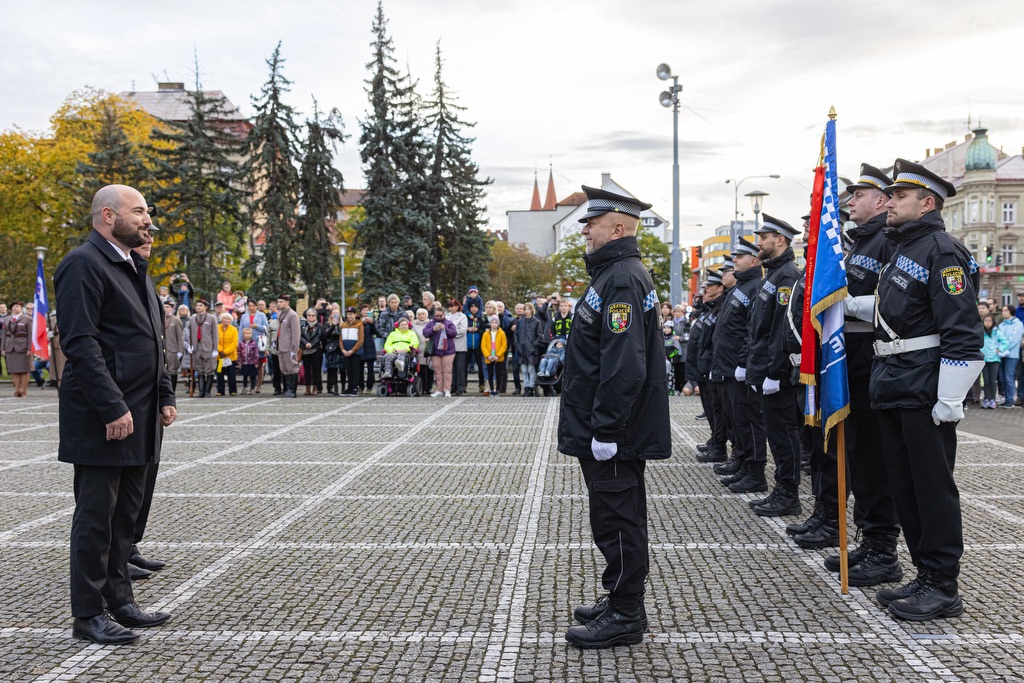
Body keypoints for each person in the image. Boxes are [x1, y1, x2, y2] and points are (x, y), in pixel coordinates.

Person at [53, 184, 175, 644]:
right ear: (108, 216)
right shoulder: (84, 264)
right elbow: (79, 344)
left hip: (140, 416)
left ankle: (120, 601)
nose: (147, 218)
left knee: (125, 517)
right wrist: (111, 406)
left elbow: (151, 339)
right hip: (105, 418)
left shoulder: (131, 266)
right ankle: (88, 614)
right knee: (96, 519)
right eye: (139, 211)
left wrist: (164, 393)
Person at [867, 159, 983, 621]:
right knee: (905, 487)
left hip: (924, 385)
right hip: (895, 381)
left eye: (898, 196)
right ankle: (923, 573)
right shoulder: (905, 249)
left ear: (926, 202)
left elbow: (962, 329)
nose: (889, 202)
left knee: (932, 489)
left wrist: (950, 397)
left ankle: (943, 583)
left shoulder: (942, 250)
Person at [559, 185, 670, 649]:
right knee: (613, 515)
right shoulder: (615, 274)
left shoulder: (621, 277)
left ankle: (627, 613)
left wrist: (607, 427)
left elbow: (624, 364)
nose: (585, 229)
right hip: (607, 425)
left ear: (618, 228)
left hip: (613, 431)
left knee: (618, 519)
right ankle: (619, 597)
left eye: (594, 222)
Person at [829, 164, 903, 584]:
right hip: (852, 361)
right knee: (859, 454)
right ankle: (870, 538)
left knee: (875, 458)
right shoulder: (860, 243)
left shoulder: (885, 242)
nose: (850, 202)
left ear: (879, 199)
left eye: (858, 195)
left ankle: (884, 549)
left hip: (873, 358)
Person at [746, 214, 804, 518]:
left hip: (777, 375)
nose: (759, 243)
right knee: (775, 434)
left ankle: (788, 493)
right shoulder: (773, 275)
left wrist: (775, 372)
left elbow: (784, 328)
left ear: (779, 239)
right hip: (764, 369)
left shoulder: (787, 277)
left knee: (784, 434)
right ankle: (781, 489)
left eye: (763, 237)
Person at [423, 304, 457, 397]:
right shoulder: (430, 323)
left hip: (448, 351)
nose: (438, 317)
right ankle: (439, 389)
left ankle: (447, 390)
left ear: (444, 314)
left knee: (447, 370)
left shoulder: (449, 323)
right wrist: (433, 329)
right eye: (436, 316)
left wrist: (445, 328)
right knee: (437, 370)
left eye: (440, 316)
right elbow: (425, 333)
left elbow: (454, 333)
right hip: (435, 351)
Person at [187, 299, 218, 398]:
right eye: (197, 305)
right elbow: (188, 332)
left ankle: (207, 392)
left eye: (200, 305)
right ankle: (201, 392)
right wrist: (189, 344)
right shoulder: (192, 318)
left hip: (208, 347)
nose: (198, 307)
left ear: (206, 307)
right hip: (197, 346)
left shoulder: (212, 318)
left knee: (209, 370)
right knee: (199, 369)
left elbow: (215, 334)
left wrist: (215, 349)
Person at [238, 299, 268, 394]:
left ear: (256, 306)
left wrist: (257, 326)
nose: (251, 307)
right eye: (249, 305)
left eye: (253, 305)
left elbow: (266, 328)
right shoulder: (244, 316)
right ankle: (250, 385)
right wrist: (239, 343)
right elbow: (240, 329)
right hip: (247, 343)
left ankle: (258, 385)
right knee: (248, 365)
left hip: (259, 343)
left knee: (259, 365)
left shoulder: (261, 315)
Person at [515, 301, 544, 397]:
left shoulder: (536, 322)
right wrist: (518, 345)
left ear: (532, 310)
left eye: (528, 309)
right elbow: (516, 334)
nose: (527, 311)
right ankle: (526, 387)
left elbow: (539, 336)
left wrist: (533, 345)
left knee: (531, 369)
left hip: (532, 349)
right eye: (525, 309)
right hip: (522, 349)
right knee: (524, 370)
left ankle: (531, 387)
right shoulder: (520, 322)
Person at [2, 301, 31, 397]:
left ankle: (24, 391)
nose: (15, 308)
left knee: (24, 369)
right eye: (13, 306)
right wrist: (3, 348)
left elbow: (30, 334)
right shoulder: (7, 319)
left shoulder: (27, 319)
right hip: (10, 345)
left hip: (23, 346)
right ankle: (17, 390)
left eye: (17, 306)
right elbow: (3, 334)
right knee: (14, 369)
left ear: (21, 308)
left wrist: (30, 348)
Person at [980, 314, 1009, 409]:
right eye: (986, 320)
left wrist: (999, 349)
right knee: (986, 381)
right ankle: (986, 399)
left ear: (993, 322)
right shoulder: (981, 332)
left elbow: (1005, 342)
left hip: (994, 359)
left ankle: (992, 399)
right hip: (984, 359)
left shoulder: (996, 332)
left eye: (989, 321)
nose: (987, 323)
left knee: (993, 381)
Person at [997, 304, 1022, 408]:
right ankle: (1006, 398)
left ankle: (1010, 400)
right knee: (1002, 378)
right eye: (1002, 310)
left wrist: (1002, 349)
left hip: (1012, 355)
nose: (1003, 312)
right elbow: (997, 338)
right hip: (1000, 354)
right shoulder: (1001, 325)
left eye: (1005, 310)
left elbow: (1014, 340)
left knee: (1009, 377)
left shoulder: (1018, 324)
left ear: (1010, 311)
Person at [276, 295, 301, 398]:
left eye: (281, 302)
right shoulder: (281, 314)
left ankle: (292, 390)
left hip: (289, 346)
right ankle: (287, 389)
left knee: (292, 368)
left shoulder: (292, 315)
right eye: (278, 302)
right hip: (281, 346)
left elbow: (296, 333)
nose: (279, 304)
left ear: (287, 302)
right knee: (284, 368)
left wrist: (294, 348)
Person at [340, 306, 365, 396]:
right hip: (345, 351)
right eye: (348, 314)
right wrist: (342, 349)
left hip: (355, 352)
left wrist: (352, 350)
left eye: (351, 314)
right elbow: (341, 339)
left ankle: (355, 387)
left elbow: (360, 340)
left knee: (355, 370)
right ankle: (349, 387)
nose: (349, 316)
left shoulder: (359, 325)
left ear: (355, 315)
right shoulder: (343, 325)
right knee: (348, 370)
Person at [481, 314, 508, 396]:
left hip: (498, 357)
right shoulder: (486, 333)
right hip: (489, 356)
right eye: (492, 322)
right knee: (490, 374)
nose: (494, 324)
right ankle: (492, 389)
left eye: (496, 322)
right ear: (490, 323)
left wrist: (498, 355)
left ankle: (498, 390)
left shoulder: (502, 333)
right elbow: (483, 346)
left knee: (498, 374)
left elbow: (504, 346)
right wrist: (487, 356)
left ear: (498, 324)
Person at [446, 299, 468, 395]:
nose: (451, 308)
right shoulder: (447, 316)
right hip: (448, 345)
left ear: (457, 306)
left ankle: (460, 387)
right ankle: (453, 386)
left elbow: (462, 330)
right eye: (450, 306)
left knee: (459, 367)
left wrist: (451, 333)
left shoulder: (462, 316)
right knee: (451, 367)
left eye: (453, 306)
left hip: (459, 345)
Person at [300, 308, 324, 395]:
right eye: (309, 315)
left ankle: (315, 387)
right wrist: (306, 343)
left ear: (316, 316)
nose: (311, 317)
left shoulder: (319, 326)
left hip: (316, 350)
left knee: (316, 370)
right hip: (305, 350)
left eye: (313, 315)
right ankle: (307, 388)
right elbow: (300, 336)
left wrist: (312, 344)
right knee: (307, 370)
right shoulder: (302, 325)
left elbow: (319, 336)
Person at [215, 313, 238, 396]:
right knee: (219, 374)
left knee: (231, 374)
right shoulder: (216, 328)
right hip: (219, 356)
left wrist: (225, 352)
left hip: (230, 357)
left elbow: (234, 343)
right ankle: (220, 390)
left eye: (228, 319)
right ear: (221, 319)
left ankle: (233, 390)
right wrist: (220, 350)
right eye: (225, 318)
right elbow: (214, 340)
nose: (226, 320)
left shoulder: (234, 329)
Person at [163, 301, 184, 393]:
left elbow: (180, 336)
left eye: (168, 307)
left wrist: (180, 350)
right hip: (162, 348)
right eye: (164, 307)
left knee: (172, 370)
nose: (165, 309)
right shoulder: (160, 319)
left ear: (172, 308)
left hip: (172, 349)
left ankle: (172, 390)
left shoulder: (176, 320)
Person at [322, 309, 344, 395]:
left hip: (341, 349)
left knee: (342, 369)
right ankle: (335, 387)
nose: (335, 315)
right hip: (332, 349)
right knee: (333, 370)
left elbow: (342, 334)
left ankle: (343, 387)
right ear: (331, 315)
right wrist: (333, 326)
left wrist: (335, 333)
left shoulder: (343, 324)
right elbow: (326, 335)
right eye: (334, 313)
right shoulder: (327, 325)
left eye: (337, 313)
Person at [358, 303, 378, 394]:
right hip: (360, 346)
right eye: (364, 310)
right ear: (361, 312)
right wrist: (362, 323)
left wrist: (371, 323)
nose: (365, 312)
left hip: (370, 346)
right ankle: (360, 386)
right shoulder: (358, 320)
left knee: (370, 369)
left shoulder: (372, 321)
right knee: (360, 369)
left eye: (367, 310)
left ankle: (369, 387)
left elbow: (376, 332)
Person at [465, 301, 485, 392]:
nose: (474, 309)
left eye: (475, 307)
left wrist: (477, 330)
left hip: (478, 346)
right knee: (465, 366)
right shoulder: (466, 318)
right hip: (467, 346)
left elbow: (484, 330)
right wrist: (467, 329)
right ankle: (464, 385)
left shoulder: (481, 318)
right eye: (472, 307)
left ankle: (481, 384)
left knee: (480, 367)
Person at [237, 327, 260, 395]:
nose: (248, 335)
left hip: (252, 362)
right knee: (245, 375)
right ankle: (245, 387)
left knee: (253, 375)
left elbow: (256, 353)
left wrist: (256, 362)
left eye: (249, 333)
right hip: (244, 362)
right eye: (246, 333)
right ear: (243, 334)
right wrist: (239, 361)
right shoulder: (241, 343)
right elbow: (239, 352)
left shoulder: (254, 343)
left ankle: (252, 388)